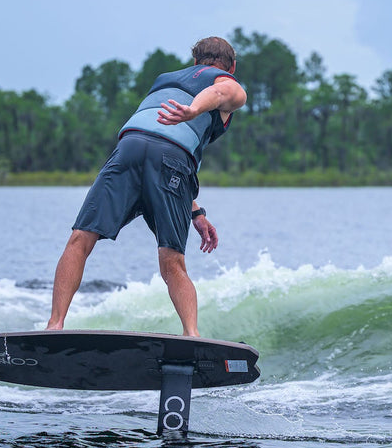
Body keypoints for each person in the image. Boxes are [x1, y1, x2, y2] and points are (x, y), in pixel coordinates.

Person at [46, 36, 247, 336]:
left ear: (194, 62)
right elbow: (219, 93)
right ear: (231, 66)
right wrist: (193, 110)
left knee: (80, 239)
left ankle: (55, 325)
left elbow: (154, 145)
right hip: (170, 157)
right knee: (172, 261)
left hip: (129, 148)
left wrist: (196, 212)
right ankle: (191, 335)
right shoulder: (228, 83)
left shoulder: (164, 80)